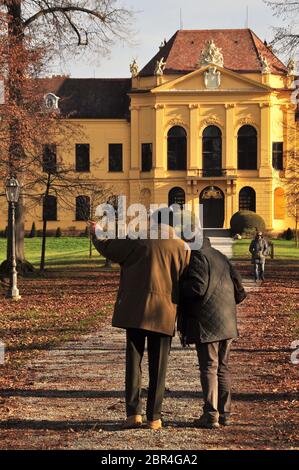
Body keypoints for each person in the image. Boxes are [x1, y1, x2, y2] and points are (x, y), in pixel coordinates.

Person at [89, 215, 190, 430]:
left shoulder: (137, 239)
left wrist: (96, 232)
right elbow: (185, 277)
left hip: (135, 310)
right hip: (164, 312)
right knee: (159, 366)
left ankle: (133, 413)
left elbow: (108, 248)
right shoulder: (182, 247)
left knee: (133, 362)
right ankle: (154, 417)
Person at [178, 237, 246, 429]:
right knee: (222, 368)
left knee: (209, 367)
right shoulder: (220, 256)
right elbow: (240, 290)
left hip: (208, 324)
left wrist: (177, 287)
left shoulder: (197, 257)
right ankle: (225, 413)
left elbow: (197, 287)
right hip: (227, 322)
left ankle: (211, 414)